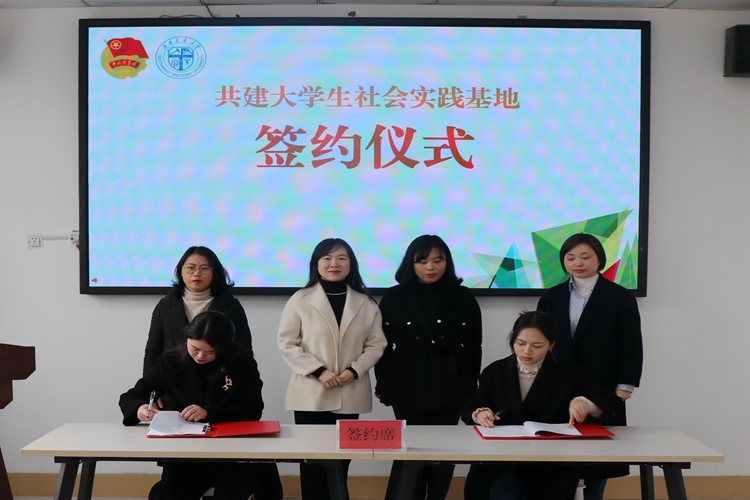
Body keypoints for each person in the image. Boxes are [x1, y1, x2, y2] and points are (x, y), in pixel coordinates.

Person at [461, 311, 624, 500]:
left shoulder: (570, 374)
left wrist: (588, 405)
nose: (527, 351)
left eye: (537, 345)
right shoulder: (495, 372)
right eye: (520, 343)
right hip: (501, 461)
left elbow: (612, 402)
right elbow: (471, 405)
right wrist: (479, 413)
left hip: (551, 464)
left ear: (551, 344)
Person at [120, 310, 282, 500]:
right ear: (186, 339)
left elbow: (253, 410)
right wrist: (140, 409)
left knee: (234, 489)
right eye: (195, 348)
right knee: (171, 492)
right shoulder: (171, 362)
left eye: (210, 352)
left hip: (232, 450)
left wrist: (209, 412)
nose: (200, 356)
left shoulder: (242, 364)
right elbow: (131, 396)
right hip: (185, 451)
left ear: (225, 346)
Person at [277, 238, 387, 500]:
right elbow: (286, 342)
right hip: (310, 394)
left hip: (350, 391)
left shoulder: (366, 303)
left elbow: (376, 345)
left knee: (341, 462)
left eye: (341, 258)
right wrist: (318, 371)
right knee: (312, 464)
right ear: (316, 264)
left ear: (351, 264)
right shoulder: (300, 299)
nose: (334, 264)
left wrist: (354, 370)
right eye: (326, 258)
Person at [374, 234, 482, 500]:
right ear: (411, 264)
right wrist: (383, 384)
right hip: (407, 381)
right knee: (409, 449)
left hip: (451, 381)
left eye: (438, 260)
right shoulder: (394, 297)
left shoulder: (463, 296)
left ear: (448, 262)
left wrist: (471, 386)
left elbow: (473, 345)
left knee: (443, 452)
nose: (430, 267)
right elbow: (382, 347)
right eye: (422, 262)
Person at [537, 233, 644, 499]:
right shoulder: (551, 297)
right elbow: (540, 341)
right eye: (570, 257)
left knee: (598, 458)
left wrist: (624, 388)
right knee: (559, 458)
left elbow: (631, 343)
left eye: (585, 257)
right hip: (559, 385)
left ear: (599, 260)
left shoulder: (619, 297)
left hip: (602, 386)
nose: (578, 263)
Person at [143, 246, 253, 375]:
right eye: (191, 268)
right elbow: (153, 351)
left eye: (204, 268)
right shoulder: (166, 305)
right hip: (173, 379)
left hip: (218, 379)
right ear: (181, 271)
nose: (197, 273)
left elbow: (244, 350)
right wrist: (150, 385)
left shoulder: (230, 305)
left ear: (215, 272)